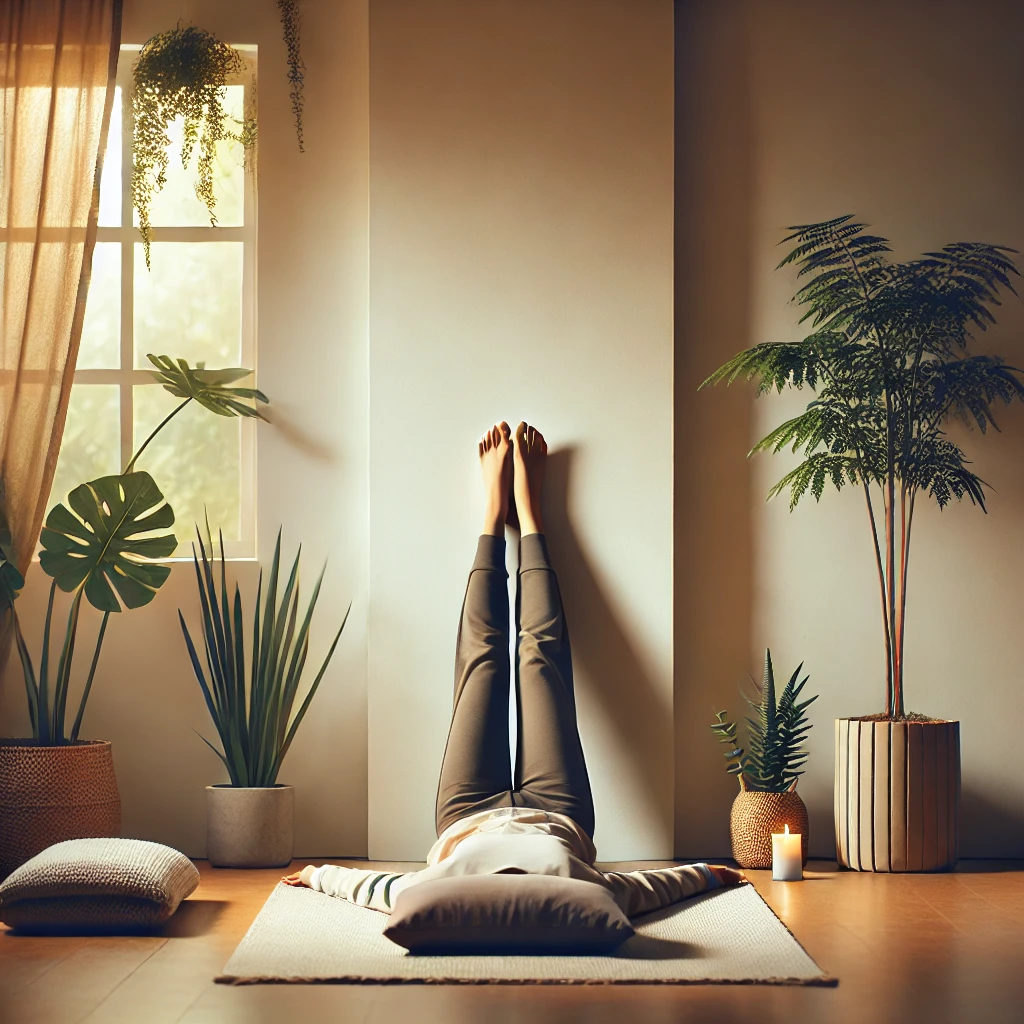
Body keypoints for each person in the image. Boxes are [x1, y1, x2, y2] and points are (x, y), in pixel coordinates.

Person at [283, 421, 745, 916]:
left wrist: (318, 875)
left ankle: (491, 513)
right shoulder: (589, 898)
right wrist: (708, 873)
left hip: (466, 815)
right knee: (541, 657)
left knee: (483, 662)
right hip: (559, 812)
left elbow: (385, 890)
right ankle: (529, 513)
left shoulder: (439, 899)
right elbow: (649, 889)